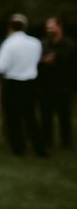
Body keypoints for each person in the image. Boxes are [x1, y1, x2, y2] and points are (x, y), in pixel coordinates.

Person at [0, 13, 46, 156]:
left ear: (10, 27)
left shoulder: (9, 43)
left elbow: (0, 67)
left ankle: (18, 148)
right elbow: (37, 62)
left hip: (13, 84)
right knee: (31, 117)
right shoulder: (35, 43)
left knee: (13, 118)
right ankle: (39, 147)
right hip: (30, 84)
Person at [39, 16, 74, 150]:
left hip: (64, 86)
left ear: (60, 27)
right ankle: (47, 141)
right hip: (46, 86)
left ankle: (66, 142)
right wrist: (43, 61)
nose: (49, 30)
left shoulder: (70, 45)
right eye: (47, 27)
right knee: (46, 116)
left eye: (51, 27)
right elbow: (37, 62)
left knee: (64, 117)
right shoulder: (43, 45)